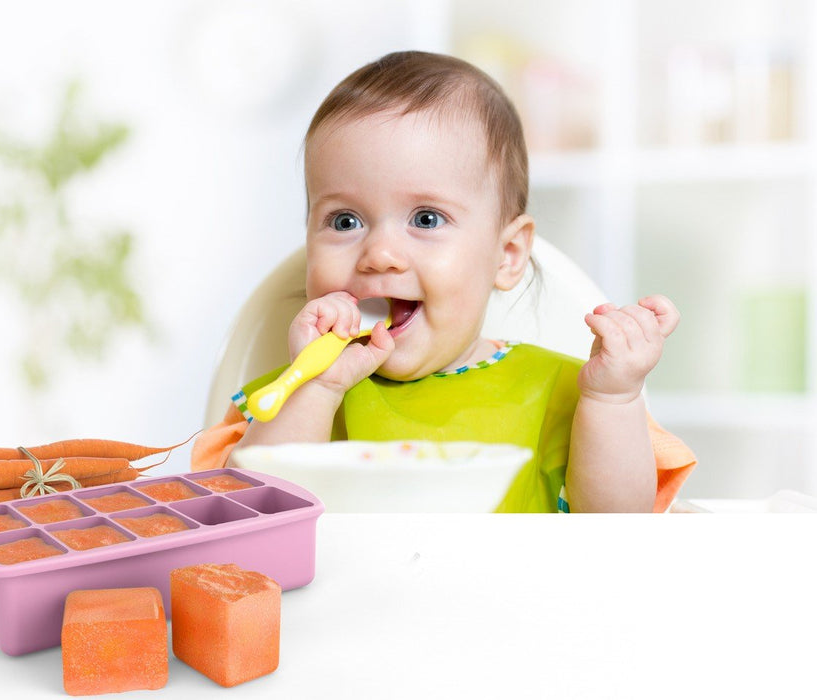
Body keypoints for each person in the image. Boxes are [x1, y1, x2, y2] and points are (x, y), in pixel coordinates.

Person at [192, 50, 695, 512]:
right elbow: (247, 516)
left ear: (507, 255)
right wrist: (317, 385)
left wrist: (612, 399)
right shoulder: (293, 397)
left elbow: (618, 528)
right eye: (345, 221)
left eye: (427, 219)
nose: (380, 254)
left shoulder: (562, 395)